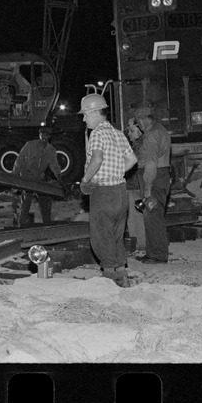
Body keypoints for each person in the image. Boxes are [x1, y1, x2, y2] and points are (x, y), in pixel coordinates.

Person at [79, 93, 136, 288]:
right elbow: (132, 160)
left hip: (103, 192)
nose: (84, 118)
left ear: (95, 113)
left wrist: (86, 179)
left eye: (86, 114)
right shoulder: (118, 133)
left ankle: (111, 276)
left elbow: (96, 159)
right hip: (120, 190)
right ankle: (121, 270)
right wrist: (117, 172)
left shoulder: (97, 133)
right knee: (116, 233)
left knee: (101, 235)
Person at [132, 107, 172, 264]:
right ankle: (151, 253)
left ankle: (159, 255)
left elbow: (151, 164)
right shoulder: (158, 130)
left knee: (154, 216)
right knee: (150, 216)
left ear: (142, 120)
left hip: (155, 178)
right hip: (158, 176)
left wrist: (148, 188)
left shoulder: (152, 134)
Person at [12, 126, 63, 226]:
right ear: (39, 135)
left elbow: (54, 165)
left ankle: (47, 225)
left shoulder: (50, 150)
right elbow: (19, 161)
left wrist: (59, 178)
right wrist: (14, 179)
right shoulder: (29, 145)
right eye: (42, 134)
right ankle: (21, 225)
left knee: (46, 199)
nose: (44, 137)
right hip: (27, 178)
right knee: (26, 202)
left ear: (49, 136)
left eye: (46, 135)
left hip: (39, 178)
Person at [124, 118, 147, 256]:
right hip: (134, 184)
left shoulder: (140, 146)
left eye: (132, 131)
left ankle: (140, 245)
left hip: (136, 185)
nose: (129, 134)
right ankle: (139, 245)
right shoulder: (137, 145)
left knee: (136, 217)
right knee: (135, 217)